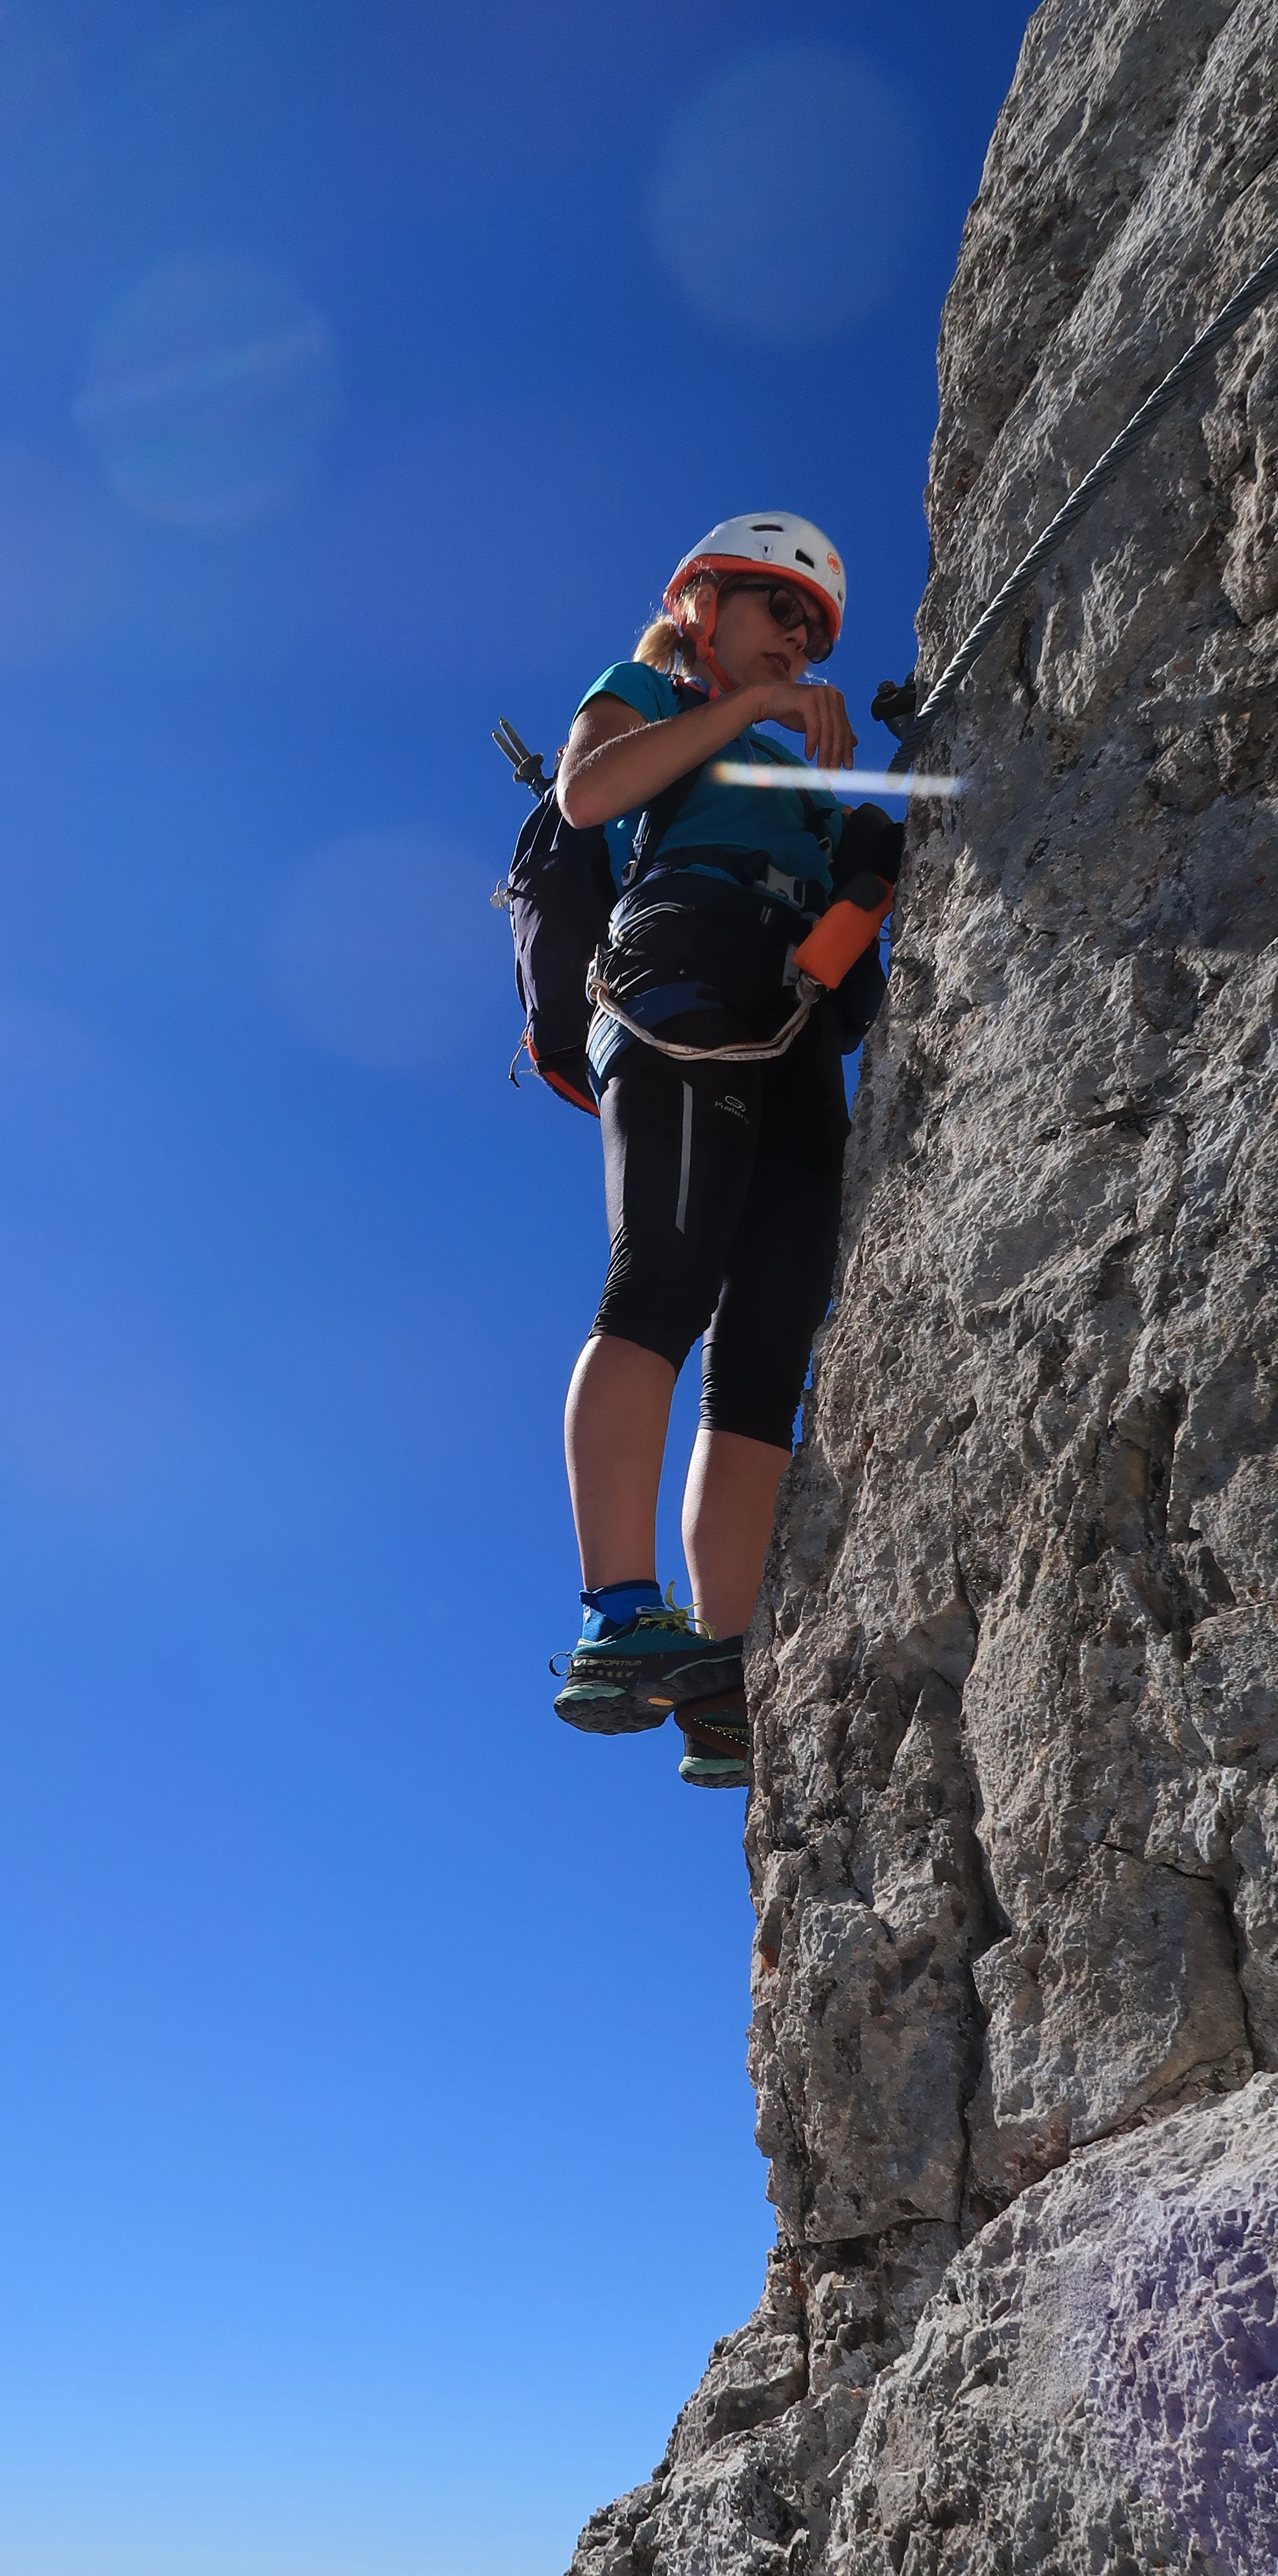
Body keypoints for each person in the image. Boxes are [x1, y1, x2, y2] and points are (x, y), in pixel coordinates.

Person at [549, 511, 871, 1789]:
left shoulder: (790, 758)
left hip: (794, 1013)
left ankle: (725, 1672)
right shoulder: (651, 690)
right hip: (680, 971)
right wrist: (749, 714)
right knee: (665, 1278)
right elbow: (590, 794)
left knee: (766, 1356)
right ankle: (620, 1615)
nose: (796, 637)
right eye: (775, 608)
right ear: (698, 604)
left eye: (812, 626)